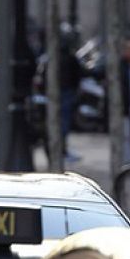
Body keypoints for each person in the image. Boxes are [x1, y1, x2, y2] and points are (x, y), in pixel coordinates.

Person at [56, 26, 84, 163]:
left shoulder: (60, 58)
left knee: (62, 122)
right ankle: (61, 149)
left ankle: (61, 149)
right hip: (65, 92)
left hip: (64, 92)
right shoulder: (68, 58)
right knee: (63, 122)